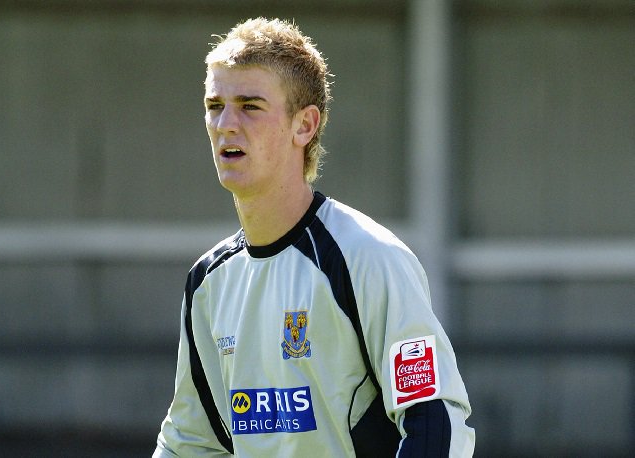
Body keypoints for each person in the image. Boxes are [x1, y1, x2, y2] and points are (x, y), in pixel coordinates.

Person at [153, 17, 475, 457]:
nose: (225, 124)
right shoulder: (208, 284)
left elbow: (435, 422)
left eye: (250, 105)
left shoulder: (368, 258)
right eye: (214, 105)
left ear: (304, 126)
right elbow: (190, 445)